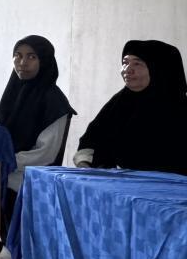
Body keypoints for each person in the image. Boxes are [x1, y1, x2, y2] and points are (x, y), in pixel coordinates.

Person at [73, 40, 187, 176]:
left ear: (159, 69)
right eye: (125, 62)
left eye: (137, 64)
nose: (127, 70)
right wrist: (86, 165)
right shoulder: (121, 102)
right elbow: (92, 139)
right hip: (122, 184)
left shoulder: (178, 110)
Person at [0, 35, 76, 217]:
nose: (22, 62)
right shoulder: (13, 92)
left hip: (29, 182)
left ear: (44, 61)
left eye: (32, 57)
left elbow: (45, 154)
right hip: (3, 173)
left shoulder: (54, 101)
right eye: (18, 55)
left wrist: (4, 161)